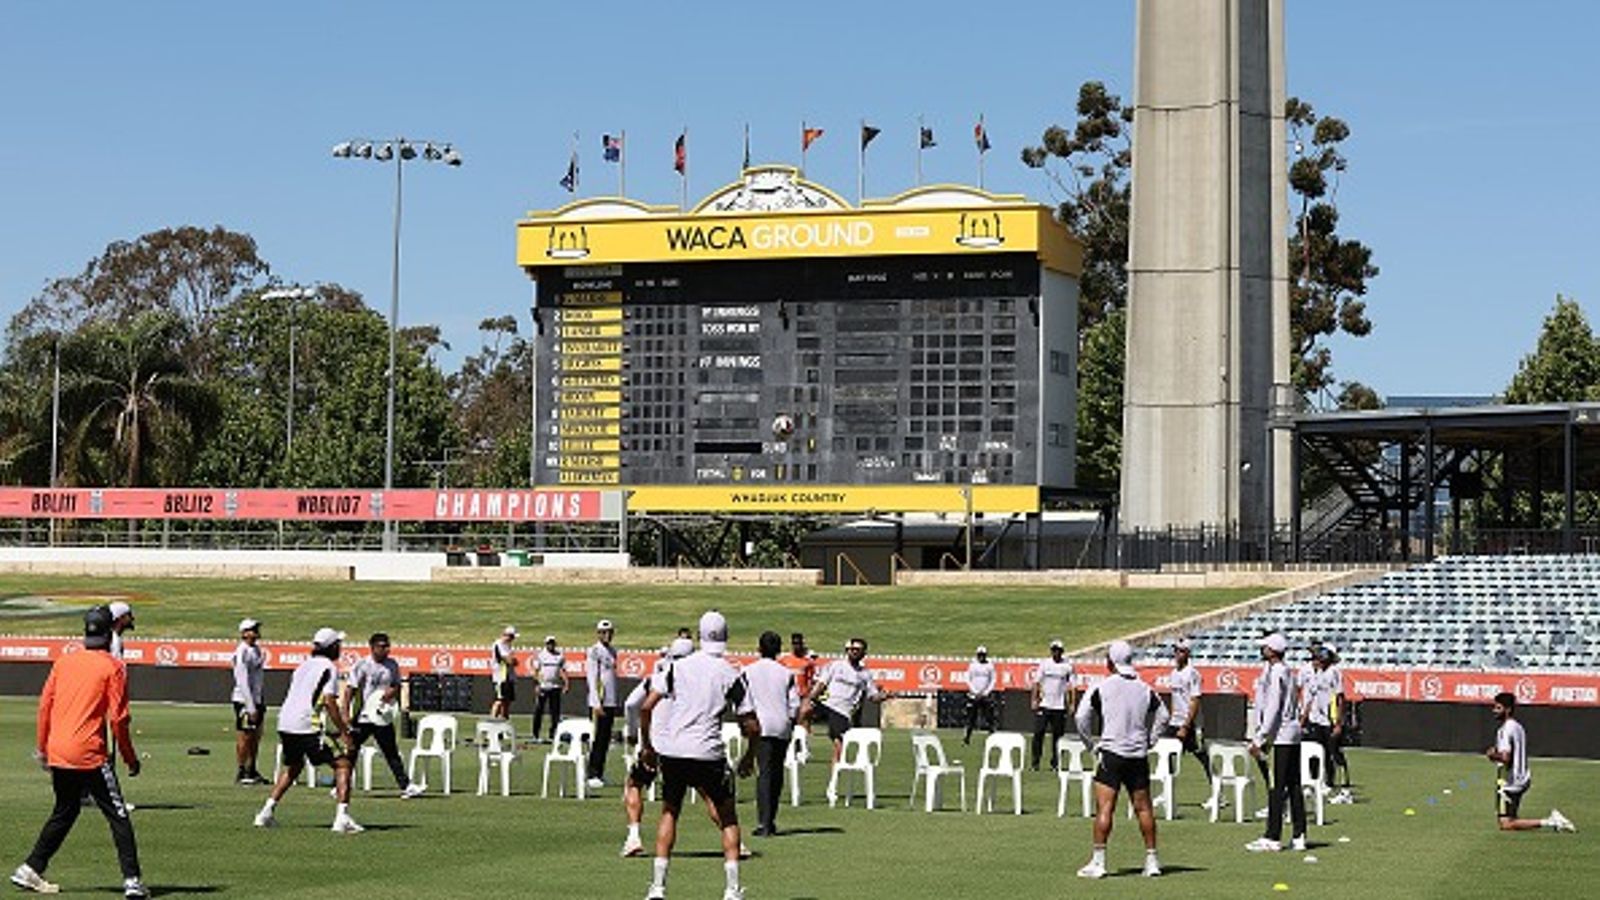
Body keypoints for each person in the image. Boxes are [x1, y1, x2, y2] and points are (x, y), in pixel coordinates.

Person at [11, 606, 147, 899]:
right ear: (110, 632)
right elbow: (119, 719)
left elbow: (44, 706)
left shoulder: (64, 662)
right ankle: (132, 881)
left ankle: (31, 868)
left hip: (59, 751)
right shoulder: (113, 667)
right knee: (118, 815)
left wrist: (43, 748)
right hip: (89, 754)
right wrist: (129, 758)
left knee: (66, 810)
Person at [638, 611, 759, 900]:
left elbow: (645, 707)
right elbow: (752, 723)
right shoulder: (731, 673)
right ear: (726, 637)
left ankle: (658, 887)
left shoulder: (676, 667)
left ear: (699, 635)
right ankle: (731, 889)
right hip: (708, 752)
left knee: (670, 811)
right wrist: (749, 755)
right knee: (727, 816)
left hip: (675, 751)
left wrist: (648, 747)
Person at [1073, 640, 1169, 879]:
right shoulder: (1144, 688)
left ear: (1110, 662)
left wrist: (1090, 745)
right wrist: (1151, 740)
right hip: (1137, 755)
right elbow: (1164, 715)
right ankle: (1152, 860)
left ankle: (1099, 861)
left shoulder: (1102, 686)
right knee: (1144, 808)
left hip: (1112, 753)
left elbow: (1081, 716)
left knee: (1105, 808)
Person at [254, 628, 362, 833]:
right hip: (307, 725)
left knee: (293, 767)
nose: (341, 647)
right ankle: (342, 818)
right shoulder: (329, 667)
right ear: (332, 647)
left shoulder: (302, 666)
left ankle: (265, 812)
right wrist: (344, 731)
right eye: (338, 644)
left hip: (285, 722)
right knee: (343, 764)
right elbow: (330, 702)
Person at [621, 637, 694, 857]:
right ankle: (735, 841)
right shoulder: (696, 681)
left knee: (634, 785)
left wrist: (635, 734)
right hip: (687, 745)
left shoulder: (656, 679)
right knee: (710, 794)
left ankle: (633, 836)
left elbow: (632, 704)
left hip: (655, 744)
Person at [1246, 632, 1307, 853]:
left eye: (1265, 647)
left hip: (1280, 736)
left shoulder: (1277, 672)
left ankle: (1272, 836)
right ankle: (1299, 835)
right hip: (1292, 733)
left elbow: (1273, 707)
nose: (1262, 650)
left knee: (1276, 785)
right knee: (1293, 785)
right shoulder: (1286, 671)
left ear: (1272, 650)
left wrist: (1261, 738)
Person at [345, 633, 425, 799]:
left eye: (387, 646)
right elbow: (350, 689)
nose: (386, 650)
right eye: (382, 646)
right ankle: (342, 783)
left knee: (391, 751)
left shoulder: (392, 665)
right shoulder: (362, 665)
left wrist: (392, 693)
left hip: (382, 715)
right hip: (364, 716)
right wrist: (345, 712)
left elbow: (397, 685)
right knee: (352, 749)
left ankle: (406, 786)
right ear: (373, 647)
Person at [1486, 691, 1576, 833]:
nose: (1494, 711)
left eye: (1498, 708)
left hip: (1510, 782)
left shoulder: (1505, 729)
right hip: (1522, 777)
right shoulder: (1518, 727)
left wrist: (1492, 755)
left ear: (1508, 709)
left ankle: (1551, 822)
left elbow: (1506, 758)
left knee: (1506, 823)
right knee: (1511, 819)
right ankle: (1549, 822)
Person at [744, 630, 801, 836]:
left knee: (765, 773)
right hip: (782, 725)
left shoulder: (749, 671)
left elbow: (743, 701)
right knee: (776, 773)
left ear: (759, 649)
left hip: (761, 725)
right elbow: (794, 705)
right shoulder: (786, 673)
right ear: (778, 650)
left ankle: (764, 822)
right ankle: (771, 818)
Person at [808, 637, 883, 768]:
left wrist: (884, 696)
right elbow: (821, 684)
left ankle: (833, 783)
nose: (854, 652)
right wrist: (810, 699)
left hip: (842, 712)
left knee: (839, 745)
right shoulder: (836, 665)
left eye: (858, 650)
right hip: (827, 705)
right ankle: (800, 744)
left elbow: (873, 697)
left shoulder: (865, 674)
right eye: (852, 649)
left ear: (864, 653)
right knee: (802, 709)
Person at [1164, 638, 1213, 784]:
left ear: (1188, 653)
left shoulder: (1192, 673)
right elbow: (1175, 698)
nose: (1177, 654)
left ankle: (1218, 793)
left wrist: (1186, 725)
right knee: (1167, 755)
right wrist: (1172, 717)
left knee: (1202, 757)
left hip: (1189, 723)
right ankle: (1168, 790)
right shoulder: (1173, 673)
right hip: (1175, 721)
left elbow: (1195, 700)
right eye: (1176, 650)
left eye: (1181, 651)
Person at [232, 618, 267, 785]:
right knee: (245, 735)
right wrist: (250, 706)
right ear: (244, 633)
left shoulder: (257, 650)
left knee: (256, 735)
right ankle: (241, 770)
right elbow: (242, 680)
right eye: (253, 629)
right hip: (244, 700)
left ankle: (252, 768)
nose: (256, 632)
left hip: (257, 698)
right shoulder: (242, 652)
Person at [1030, 639, 1075, 770]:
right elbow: (1036, 683)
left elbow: (1072, 686)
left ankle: (1055, 763)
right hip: (1045, 704)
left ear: (1062, 652)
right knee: (1038, 733)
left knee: (1058, 737)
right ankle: (1035, 762)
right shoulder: (1045, 664)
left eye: (1058, 650)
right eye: (1053, 650)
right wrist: (1034, 699)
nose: (1056, 653)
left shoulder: (1067, 666)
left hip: (1059, 706)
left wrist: (1072, 703)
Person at [587, 619, 621, 788]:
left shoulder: (613, 651)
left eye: (610, 632)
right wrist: (595, 702)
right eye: (604, 632)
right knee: (597, 737)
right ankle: (591, 772)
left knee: (605, 738)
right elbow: (592, 678)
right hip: (599, 701)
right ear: (598, 634)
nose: (607, 636)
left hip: (610, 700)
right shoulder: (595, 651)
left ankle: (600, 771)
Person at [532, 635, 569, 743]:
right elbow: (536, 671)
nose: (550, 645)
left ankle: (553, 734)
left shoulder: (560, 656)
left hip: (555, 687)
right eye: (548, 643)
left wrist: (566, 683)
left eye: (552, 643)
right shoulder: (540, 655)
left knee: (555, 712)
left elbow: (562, 671)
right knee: (539, 711)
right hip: (544, 687)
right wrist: (537, 685)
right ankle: (535, 734)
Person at [962, 645, 998, 745]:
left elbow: (993, 680)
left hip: (985, 695)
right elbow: (968, 679)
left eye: (983, 655)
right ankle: (967, 737)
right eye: (980, 655)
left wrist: (986, 692)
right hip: (974, 695)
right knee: (971, 718)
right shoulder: (972, 665)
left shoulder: (990, 665)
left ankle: (993, 736)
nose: (981, 657)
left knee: (989, 717)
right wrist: (974, 691)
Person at [781, 632, 819, 726]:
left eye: (799, 643)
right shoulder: (785, 660)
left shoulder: (808, 662)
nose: (797, 646)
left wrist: (809, 696)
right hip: (787, 696)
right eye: (794, 643)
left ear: (802, 644)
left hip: (802, 696)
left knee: (803, 723)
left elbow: (812, 679)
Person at [490, 626, 519, 720]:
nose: (513, 639)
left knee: (507, 702)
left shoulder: (507, 646)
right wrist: (512, 660)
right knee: (499, 700)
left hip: (508, 676)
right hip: (501, 677)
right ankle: (493, 721)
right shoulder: (499, 644)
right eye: (512, 637)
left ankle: (504, 722)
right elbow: (508, 660)